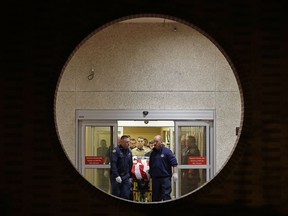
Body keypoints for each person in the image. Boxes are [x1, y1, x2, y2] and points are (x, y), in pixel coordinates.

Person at [149, 135, 178, 201]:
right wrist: (150, 173)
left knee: (166, 196)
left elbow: (174, 163)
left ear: (161, 142)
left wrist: (175, 173)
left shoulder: (167, 151)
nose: (155, 143)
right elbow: (151, 164)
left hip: (165, 178)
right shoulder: (153, 153)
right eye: (154, 142)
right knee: (155, 197)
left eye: (156, 141)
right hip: (155, 178)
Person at [109, 135, 133, 200]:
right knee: (116, 195)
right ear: (122, 142)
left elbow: (130, 164)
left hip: (126, 177)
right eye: (127, 142)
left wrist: (129, 176)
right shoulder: (116, 151)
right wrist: (116, 175)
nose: (128, 144)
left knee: (125, 195)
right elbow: (113, 164)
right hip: (116, 177)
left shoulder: (129, 152)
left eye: (129, 142)